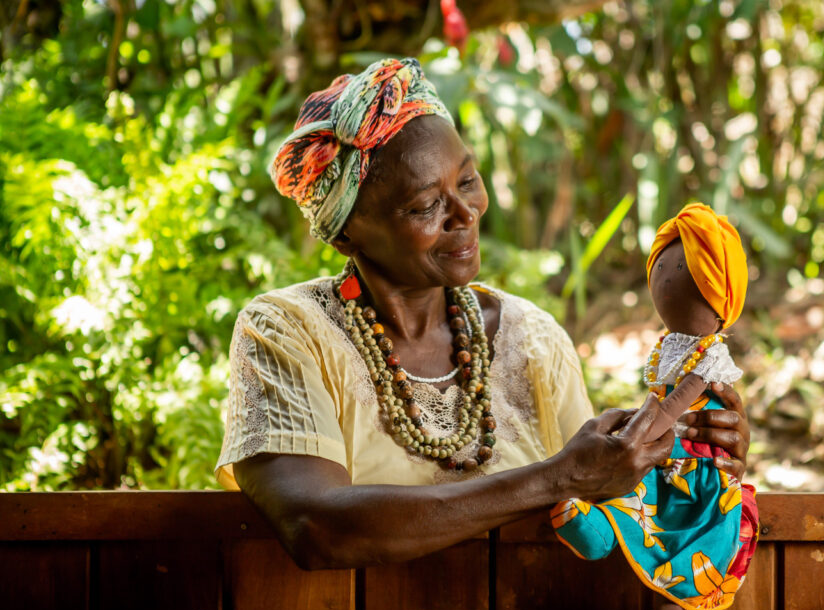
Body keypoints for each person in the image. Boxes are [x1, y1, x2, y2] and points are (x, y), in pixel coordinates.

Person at [216, 57, 751, 571]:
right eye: (425, 205)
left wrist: (691, 466)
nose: (465, 213)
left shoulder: (533, 339)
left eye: (467, 180)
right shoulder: (287, 332)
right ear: (347, 233)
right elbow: (315, 527)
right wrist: (556, 478)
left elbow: (603, 517)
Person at [551, 203, 758, 610]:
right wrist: (641, 426)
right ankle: (600, 532)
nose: (665, 278)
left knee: (685, 531)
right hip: (663, 453)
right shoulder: (670, 347)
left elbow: (678, 401)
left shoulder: (709, 356)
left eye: (679, 268)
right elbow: (657, 399)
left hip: (697, 466)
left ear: (719, 293)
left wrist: (644, 426)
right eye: (662, 266)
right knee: (633, 489)